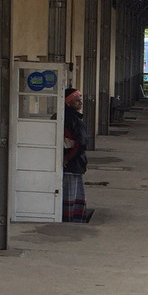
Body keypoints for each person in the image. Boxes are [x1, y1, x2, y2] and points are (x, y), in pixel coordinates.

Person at [62, 87, 92, 222]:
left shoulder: (67, 117)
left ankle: (69, 216)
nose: (80, 102)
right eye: (76, 100)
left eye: (80, 99)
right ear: (68, 103)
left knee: (69, 192)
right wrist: (67, 159)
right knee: (70, 192)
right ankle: (72, 217)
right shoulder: (72, 120)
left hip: (73, 163)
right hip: (72, 164)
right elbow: (81, 143)